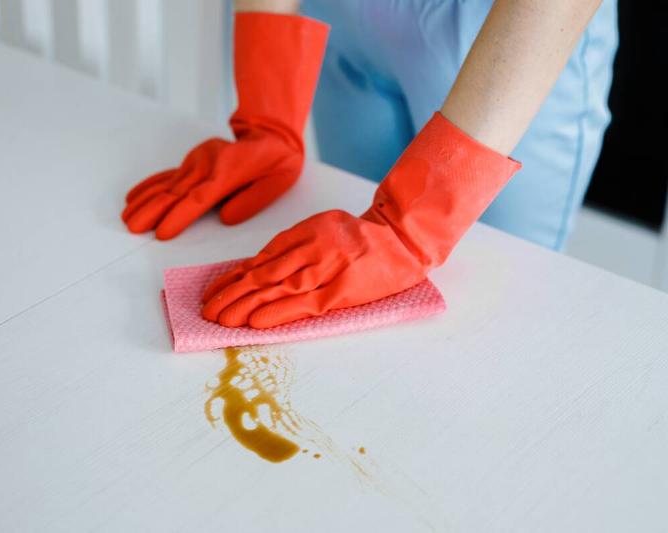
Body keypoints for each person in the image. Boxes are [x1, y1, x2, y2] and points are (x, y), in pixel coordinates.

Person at [121, 0, 618, 329]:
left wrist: (415, 223)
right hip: (340, 14)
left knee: (496, 315)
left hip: (514, 31)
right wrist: (267, 107)